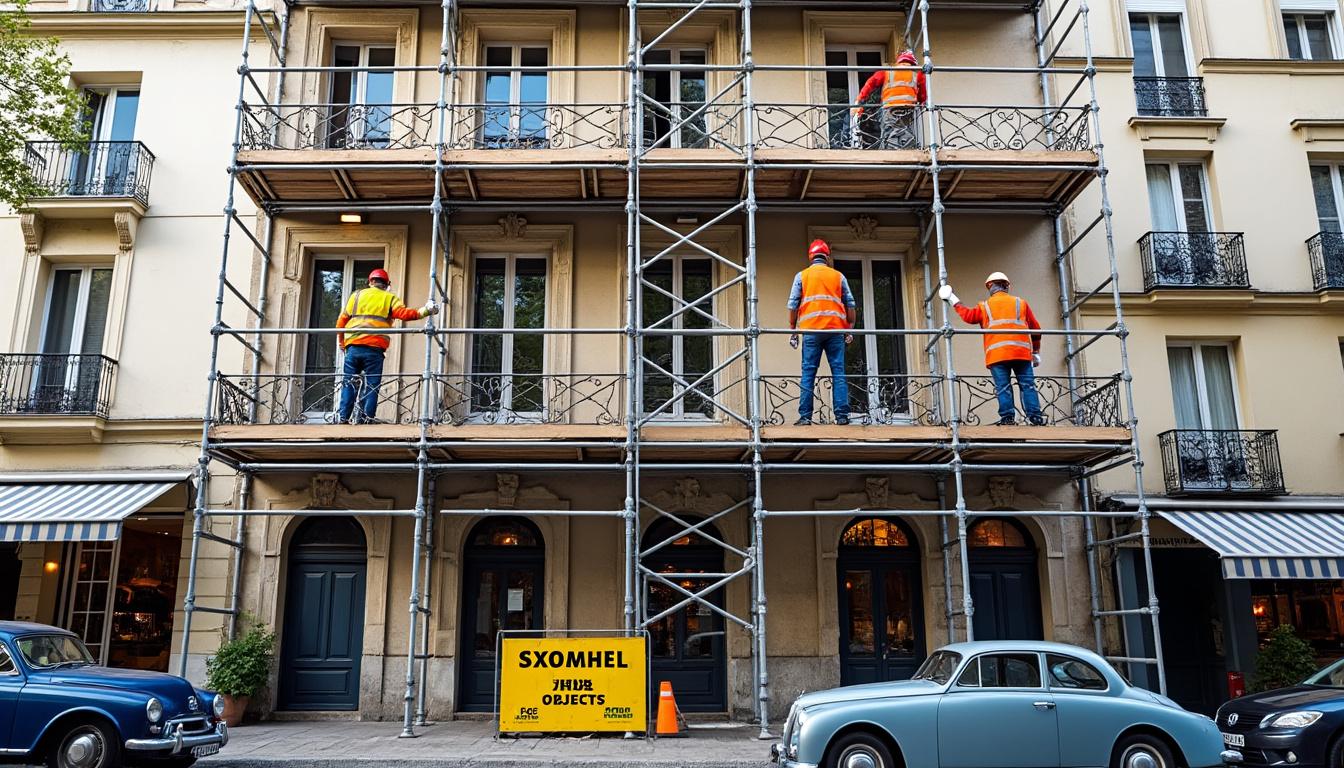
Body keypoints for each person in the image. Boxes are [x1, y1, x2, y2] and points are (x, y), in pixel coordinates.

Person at [940, 272, 1045, 426]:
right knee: (1027, 385)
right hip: (1021, 353)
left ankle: (1008, 418)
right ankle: (1035, 417)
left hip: (998, 355)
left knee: (1003, 387)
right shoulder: (1020, 303)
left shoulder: (985, 306)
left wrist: (952, 299)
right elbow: (1036, 329)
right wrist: (1035, 352)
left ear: (990, 287)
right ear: (1007, 286)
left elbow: (968, 316)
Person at [336, 268, 438, 424]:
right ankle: (366, 419)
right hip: (374, 349)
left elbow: (341, 322)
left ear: (370, 282)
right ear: (387, 284)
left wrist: (342, 343)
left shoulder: (356, 296)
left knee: (349, 383)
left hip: (353, 348)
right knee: (372, 386)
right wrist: (426, 311)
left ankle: (343, 418)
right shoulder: (389, 298)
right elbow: (404, 314)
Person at [788, 239, 856, 425]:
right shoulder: (838, 276)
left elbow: (793, 305)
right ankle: (842, 416)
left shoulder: (802, 276)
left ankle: (805, 417)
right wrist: (849, 328)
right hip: (835, 331)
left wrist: (793, 329)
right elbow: (850, 304)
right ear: (827, 257)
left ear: (811, 256)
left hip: (811, 331)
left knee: (808, 373)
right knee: (838, 372)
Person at [853, 49, 928, 150]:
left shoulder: (887, 72)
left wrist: (859, 101)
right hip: (908, 109)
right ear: (912, 63)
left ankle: (891, 152)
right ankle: (907, 151)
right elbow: (922, 95)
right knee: (904, 131)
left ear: (899, 61)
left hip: (889, 108)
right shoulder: (917, 74)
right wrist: (922, 102)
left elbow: (870, 84)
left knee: (889, 133)